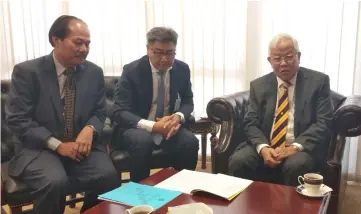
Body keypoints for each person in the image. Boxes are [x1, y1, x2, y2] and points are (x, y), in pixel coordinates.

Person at [5, 15, 120, 214]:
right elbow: (18, 119)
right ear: (55, 40)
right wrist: (57, 145)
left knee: (109, 175)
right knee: (55, 182)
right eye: (78, 42)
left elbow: (100, 111)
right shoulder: (28, 72)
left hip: (79, 146)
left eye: (87, 43)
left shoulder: (93, 72)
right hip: (39, 148)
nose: (84, 49)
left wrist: (90, 129)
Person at [228, 33, 333, 186]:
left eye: (289, 57)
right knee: (239, 161)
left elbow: (323, 123)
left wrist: (294, 147)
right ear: (270, 61)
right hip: (266, 144)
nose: (283, 63)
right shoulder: (258, 85)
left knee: (296, 165)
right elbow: (250, 122)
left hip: (300, 147)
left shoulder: (318, 82)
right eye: (277, 59)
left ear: (299, 56)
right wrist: (263, 148)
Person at [112, 27, 199, 182]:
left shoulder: (182, 69)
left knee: (190, 143)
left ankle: (182, 189)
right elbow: (120, 111)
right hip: (137, 126)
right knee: (142, 142)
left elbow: (188, 101)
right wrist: (152, 127)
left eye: (169, 52)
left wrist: (178, 117)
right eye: (158, 52)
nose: (164, 58)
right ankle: (141, 194)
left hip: (168, 127)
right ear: (148, 50)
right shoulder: (132, 71)